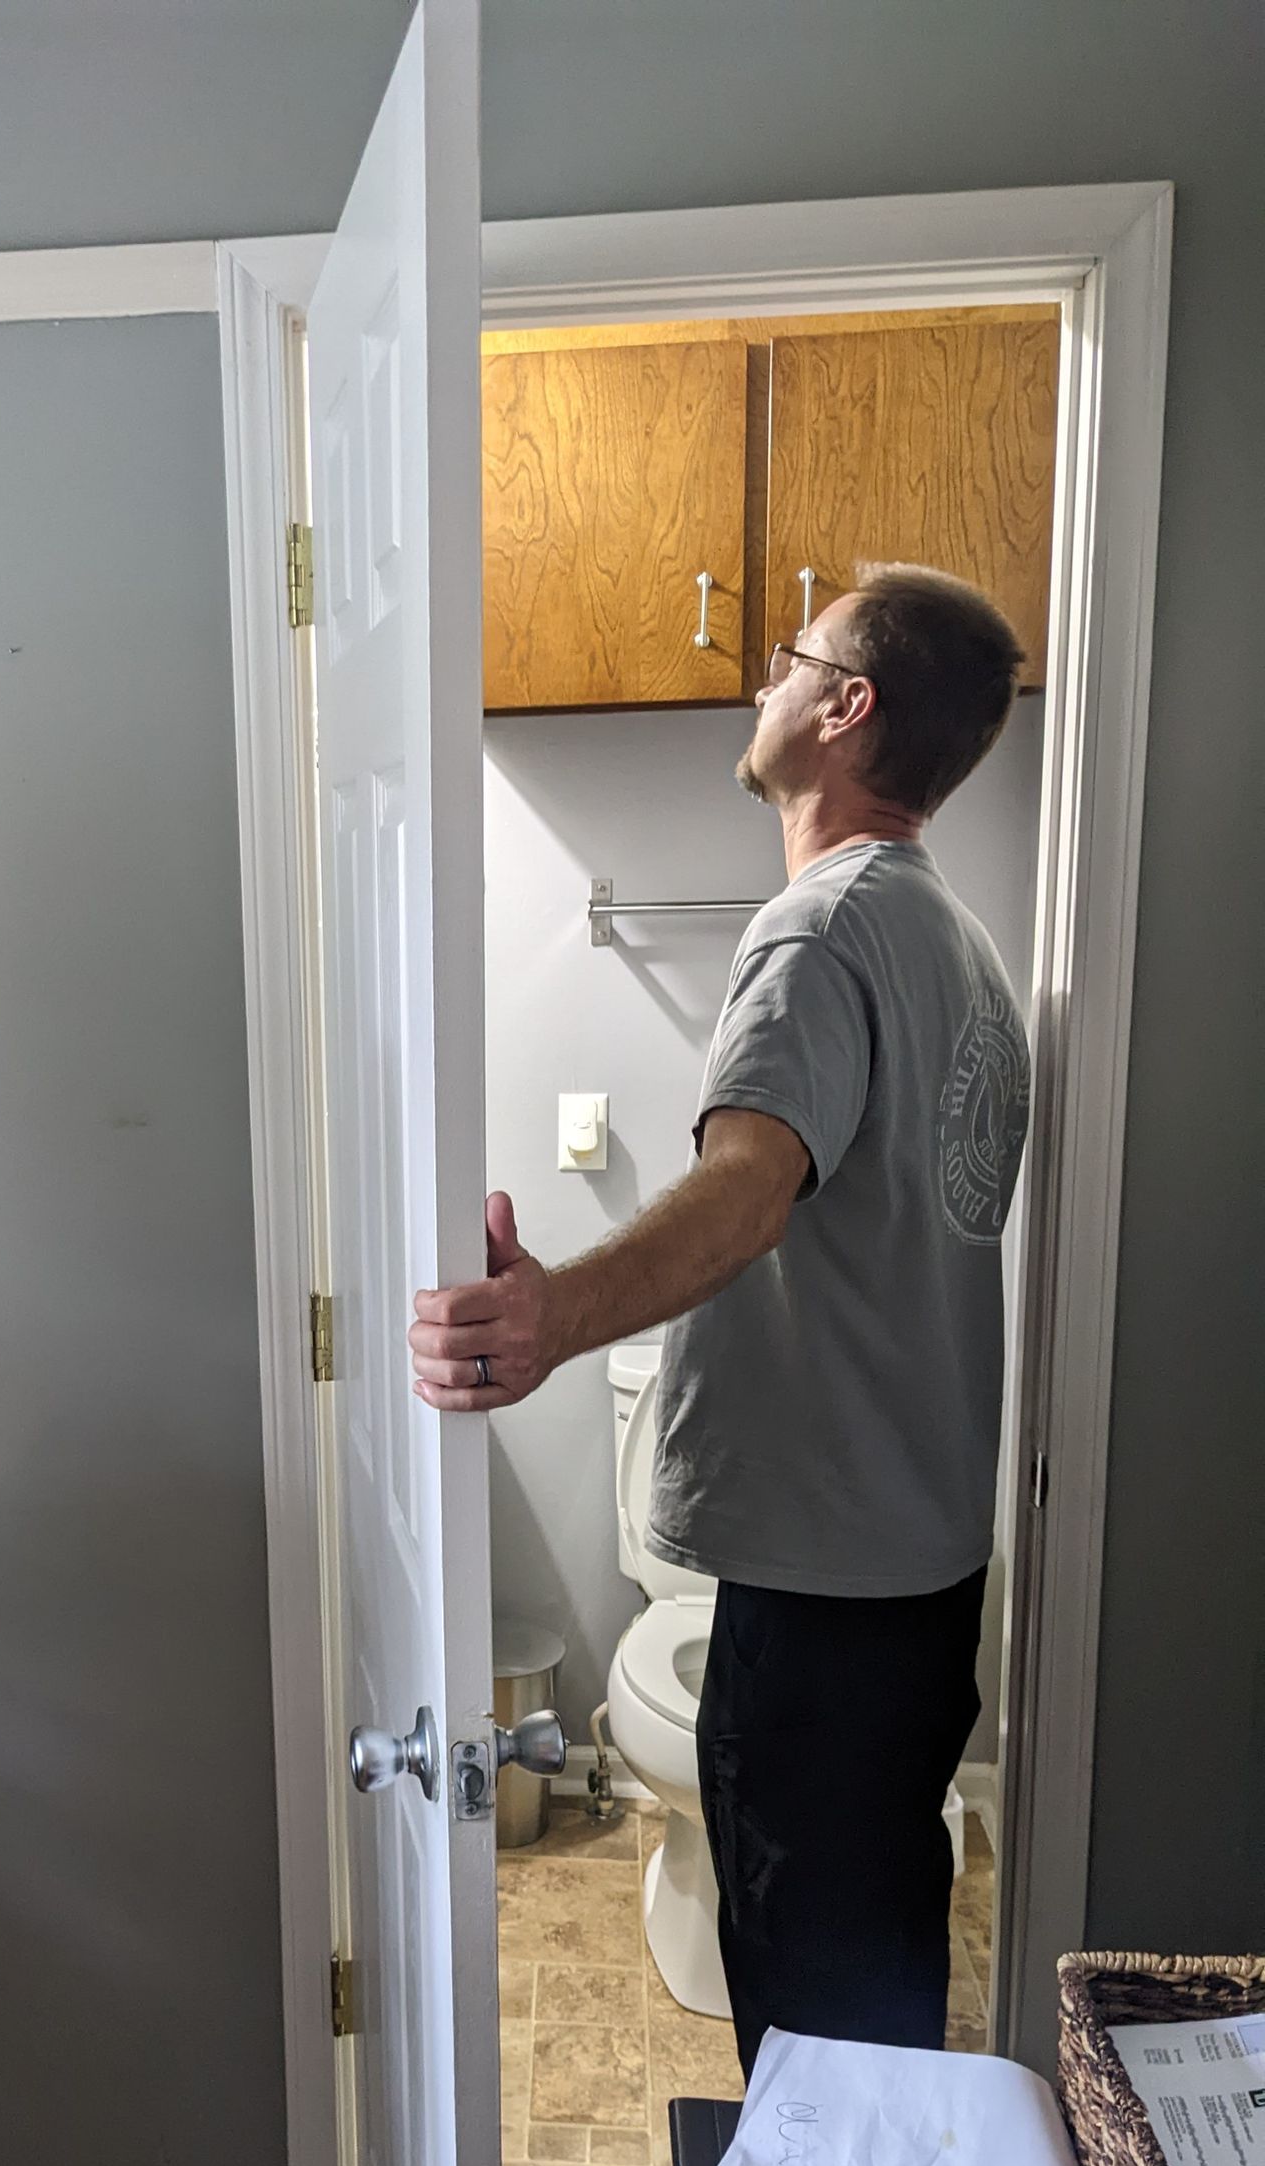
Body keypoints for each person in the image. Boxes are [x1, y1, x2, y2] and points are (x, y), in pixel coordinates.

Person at [408, 562, 1030, 2078]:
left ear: (846, 706)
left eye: (787, 660)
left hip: (818, 1595)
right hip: (922, 1571)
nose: (764, 684)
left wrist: (549, 1314)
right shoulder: (964, 954)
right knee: (875, 1983)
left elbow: (750, 1187)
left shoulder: (818, 933)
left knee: (813, 2033)